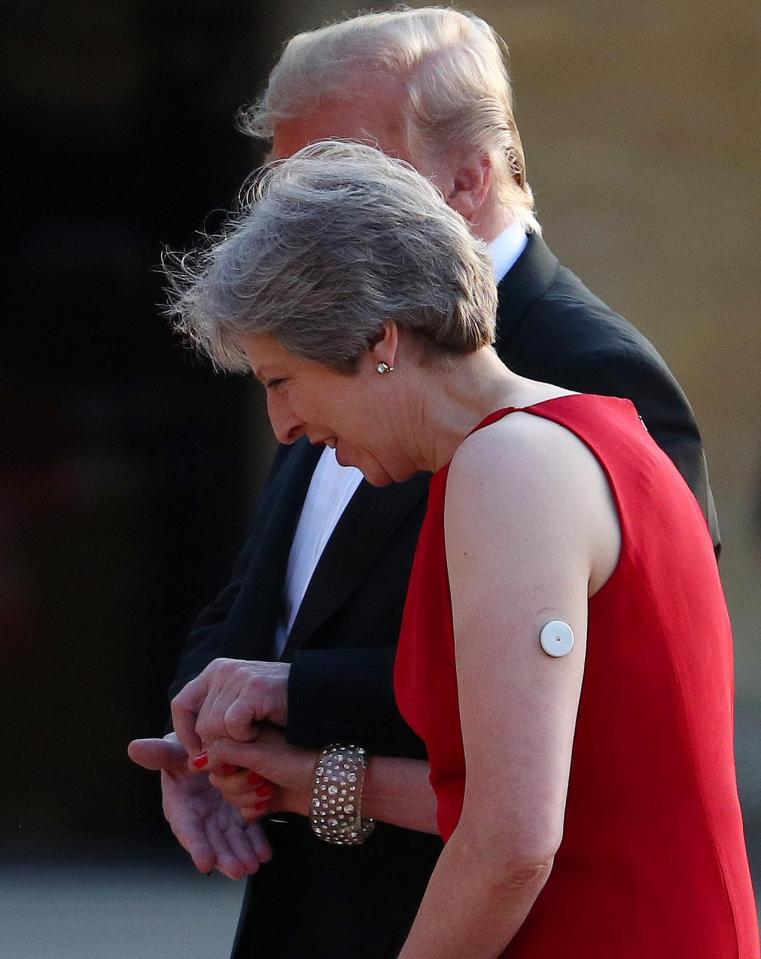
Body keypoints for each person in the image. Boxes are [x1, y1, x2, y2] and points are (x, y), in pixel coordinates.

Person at [128, 8, 721, 958]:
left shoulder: (517, 444)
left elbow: (520, 832)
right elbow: (490, 782)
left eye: (283, 384)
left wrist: (293, 713)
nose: (284, 427)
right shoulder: (461, 423)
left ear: (380, 341)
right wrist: (258, 761)